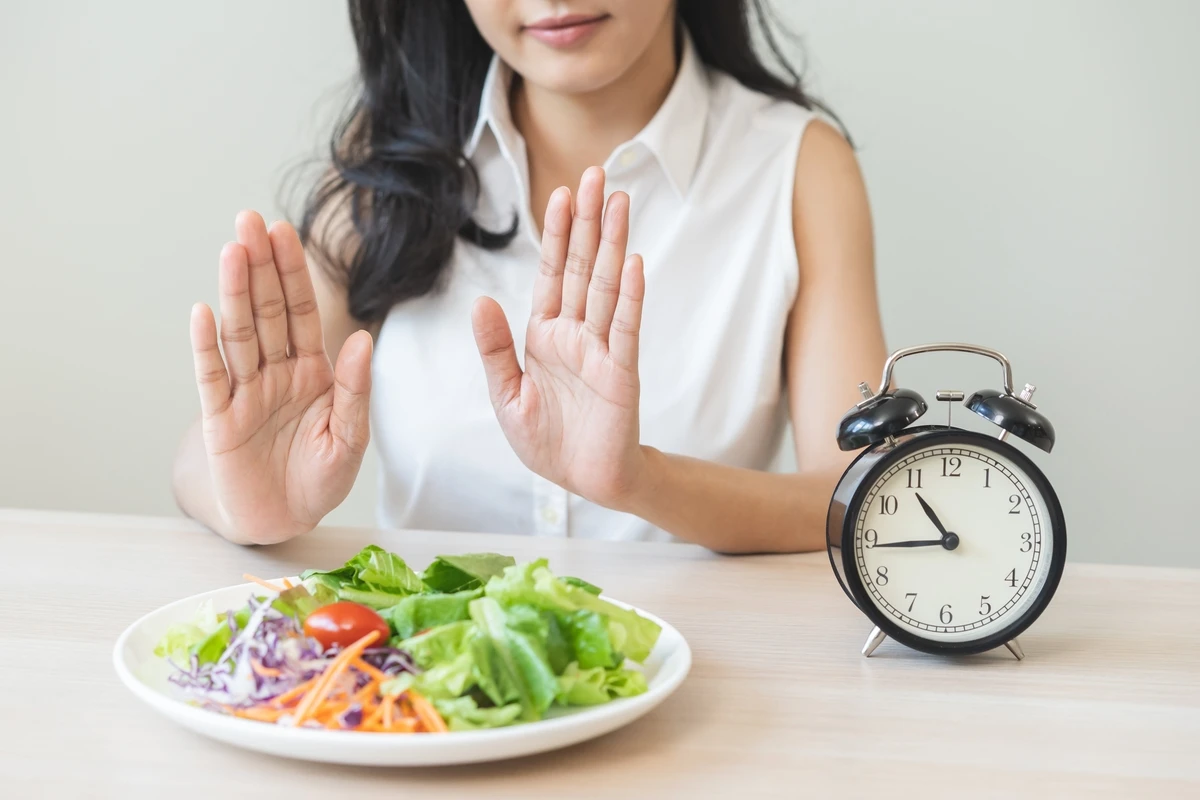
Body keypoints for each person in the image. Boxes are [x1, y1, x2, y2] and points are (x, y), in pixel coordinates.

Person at [173, 0, 886, 552]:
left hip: (696, 692)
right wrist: (250, 504)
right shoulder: (383, 171)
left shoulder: (797, 168)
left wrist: (642, 481)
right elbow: (211, 458)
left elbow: (859, 494)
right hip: (430, 708)